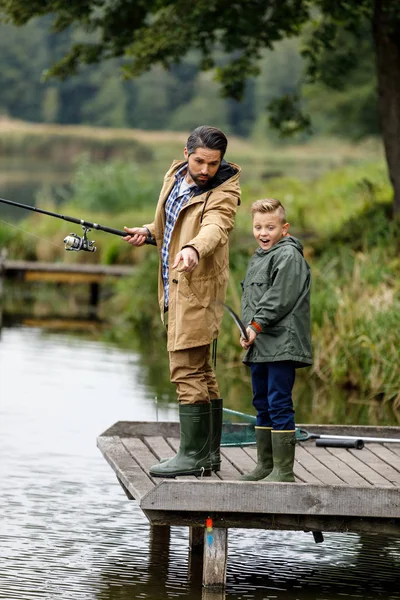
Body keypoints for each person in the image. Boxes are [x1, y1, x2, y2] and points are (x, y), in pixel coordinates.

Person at [123, 125, 241, 477]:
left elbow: (214, 229)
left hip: (197, 293)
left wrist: (193, 249)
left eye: (213, 163)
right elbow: (172, 225)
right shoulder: (175, 176)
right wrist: (149, 231)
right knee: (202, 370)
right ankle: (208, 455)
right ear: (186, 153)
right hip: (172, 289)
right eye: (200, 161)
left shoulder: (224, 190)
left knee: (187, 370)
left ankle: (193, 455)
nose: (206, 170)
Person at [239, 198, 312, 482]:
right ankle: (265, 466)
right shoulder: (258, 257)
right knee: (261, 402)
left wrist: (255, 325)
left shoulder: (288, 256)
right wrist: (248, 329)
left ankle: (283, 471)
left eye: (270, 226)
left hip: (282, 344)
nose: (263, 232)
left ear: (284, 228)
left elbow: (279, 298)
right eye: (258, 227)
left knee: (279, 401)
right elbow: (253, 300)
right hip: (260, 344)